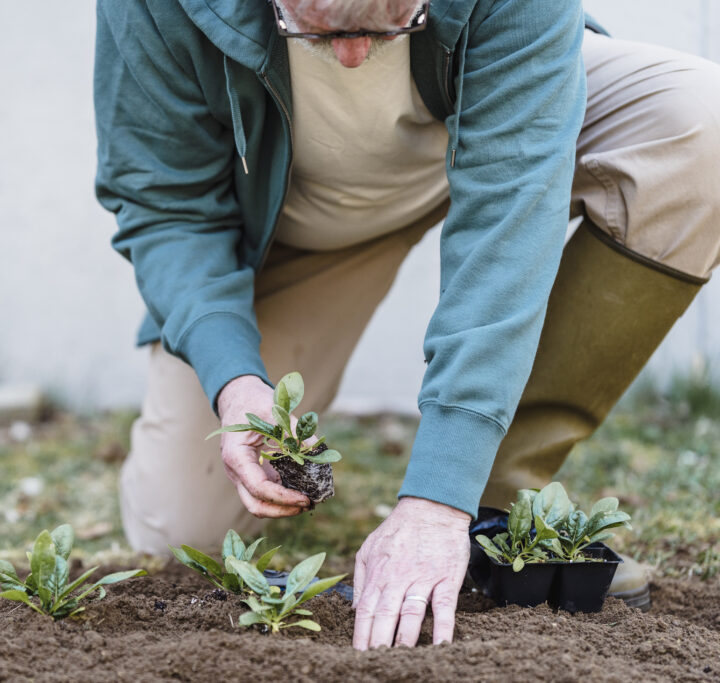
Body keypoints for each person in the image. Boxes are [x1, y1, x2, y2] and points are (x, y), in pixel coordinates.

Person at [94, 0, 720, 650]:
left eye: (388, 25)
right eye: (317, 30)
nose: (354, 56)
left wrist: (438, 497)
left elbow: (508, 216)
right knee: (179, 533)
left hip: (502, 122)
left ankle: (491, 500)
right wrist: (236, 382)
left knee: (699, 124)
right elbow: (165, 204)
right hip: (301, 212)